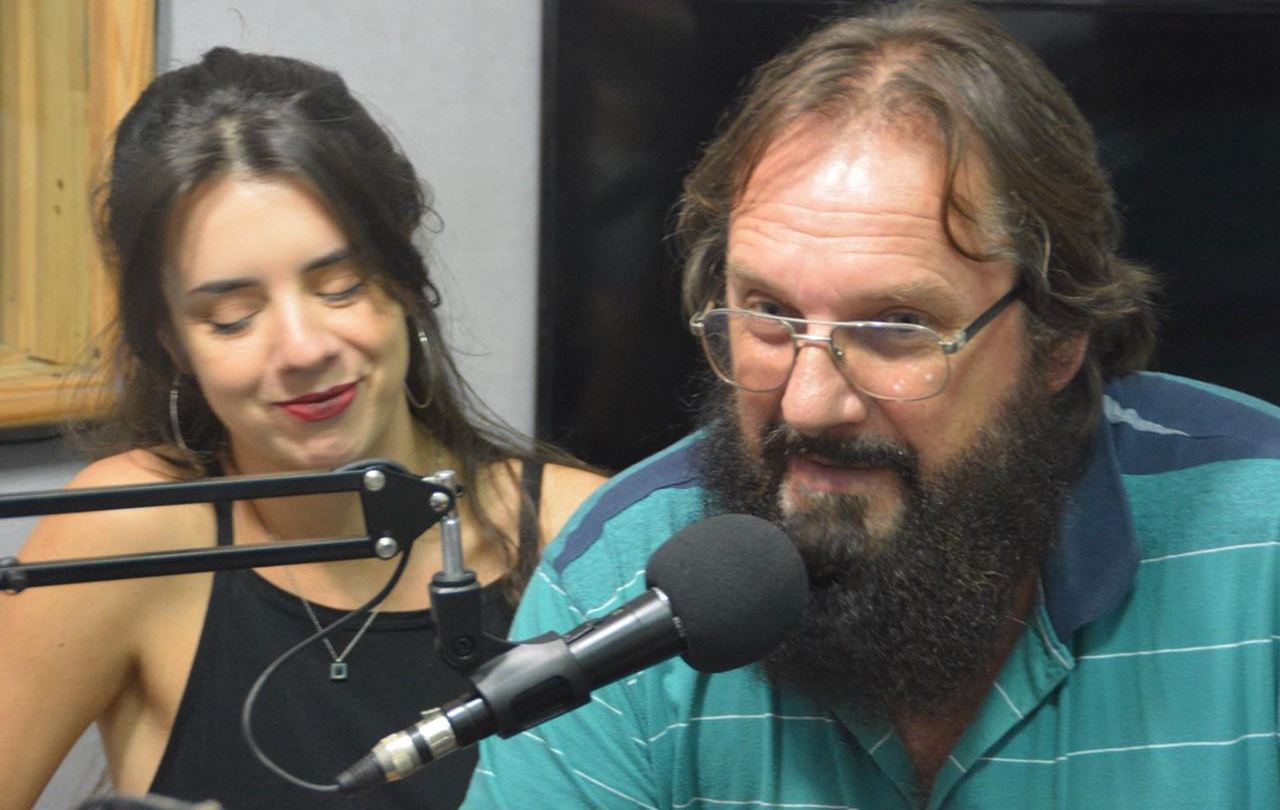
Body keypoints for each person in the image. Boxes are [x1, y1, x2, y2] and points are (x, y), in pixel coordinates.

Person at [463, 2, 1280, 808]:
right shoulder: (617, 583)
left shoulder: (1262, 551)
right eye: (769, 313)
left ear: (1058, 339)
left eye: (895, 326)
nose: (809, 404)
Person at [0, 48, 604, 810]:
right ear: (169, 340)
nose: (303, 348)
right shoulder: (125, 535)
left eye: (340, 287)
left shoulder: (587, 537)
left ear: (405, 277)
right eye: (232, 317)